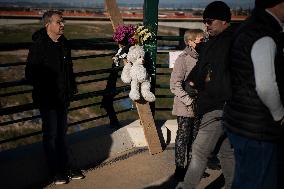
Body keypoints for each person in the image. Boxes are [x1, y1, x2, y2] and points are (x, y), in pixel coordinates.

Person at [223, 0, 284, 188]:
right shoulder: (264, 34)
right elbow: (266, 86)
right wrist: (280, 114)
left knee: (245, 179)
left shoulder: (246, 27)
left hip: (239, 119)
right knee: (258, 182)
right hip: (259, 127)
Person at [176, 1, 235, 188]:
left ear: (224, 20)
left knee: (199, 151)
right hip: (230, 107)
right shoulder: (228, 41)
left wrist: (195, 83)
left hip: (217, 107)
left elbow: (208, 73)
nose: (206, 25)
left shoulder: (222, 44)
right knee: (226, 151)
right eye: (204, 21)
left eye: (210, 21)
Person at [25, 10, 85, 184]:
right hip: (47, 99)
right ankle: (55, 171)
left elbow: (69, 70)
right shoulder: (39, 45)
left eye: (62, 21)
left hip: (63, 98)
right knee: (50, 134)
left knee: (62, 134)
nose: (62, 25)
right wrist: (47, 86)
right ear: (48, 25)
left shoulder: (64, 43)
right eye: (59, 22)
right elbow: (30, 73)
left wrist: (70, 89)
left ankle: (68, 167)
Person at [170, 29, 204, 181]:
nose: (203, 43)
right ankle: (179, 168)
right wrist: (189, 100)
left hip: (199, 105)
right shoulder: (182, 59)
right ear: (190, 42)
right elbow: (174, 85)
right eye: (200, 40)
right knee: (183, 137)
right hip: (185, 106)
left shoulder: (203, 58)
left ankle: (192, 169)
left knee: (195, 138)